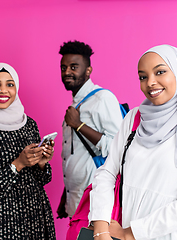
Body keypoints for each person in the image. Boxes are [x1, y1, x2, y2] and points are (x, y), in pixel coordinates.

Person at [89, 44, 177, 240]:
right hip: (123, 229)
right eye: (143, 77)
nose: (150, 82)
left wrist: (130, 233)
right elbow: (107, 172)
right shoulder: (135, 119)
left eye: (160, 72)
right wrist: (101, 228)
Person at [0, 63, 56, 240]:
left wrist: (43, 163)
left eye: (10, 84)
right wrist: (18, 164)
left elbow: (42, 180)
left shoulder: (29, 124)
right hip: (2, 224)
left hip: (36, 217)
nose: (3, 90)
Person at [57, 40, 124, 219]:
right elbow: (75, 155)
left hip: (95, 199)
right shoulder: (77, 103)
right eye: (63, 68)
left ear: (88, 70)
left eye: (74, 67)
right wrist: (67, 195)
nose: (67, 72)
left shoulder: (102, 99)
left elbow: (119, 147)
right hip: (76, 197)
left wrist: (79, 125)